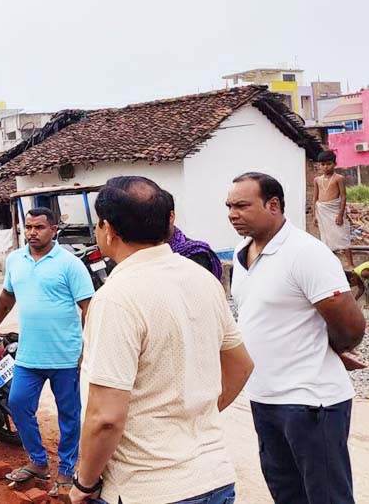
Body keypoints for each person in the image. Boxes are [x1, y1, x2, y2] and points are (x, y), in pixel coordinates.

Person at [70, 176, 254, 504]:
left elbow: (105, 418)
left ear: (108, 229)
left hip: (149, 488)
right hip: (214, 478)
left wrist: (84, 483)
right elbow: (241, 364)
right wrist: (191, 416)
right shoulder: (203, 280)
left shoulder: (116, 298)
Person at [227, 172, 365, 504]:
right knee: (287, 494)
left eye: (242, 205)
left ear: (272, 205)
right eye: (229, 206)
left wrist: (330, 346)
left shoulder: (306, 253)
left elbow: (351, 327)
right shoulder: (240, 253)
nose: (233, 214)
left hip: (310, 402)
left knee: (327, 498)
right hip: (264, 398)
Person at [0, 207, 94, 496]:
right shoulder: (16, 260)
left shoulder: (69, 263)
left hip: (65, 356)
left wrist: (85, 347)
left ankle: (67, 471)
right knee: (18, 404)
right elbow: (8, 295)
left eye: (39, 227)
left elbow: (88, 307)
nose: (32, 232)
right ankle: (39, 462)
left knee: (68, 414)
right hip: (29, 355)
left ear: (53, 229)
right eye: (28, 227)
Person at [313, 151, 354, 268]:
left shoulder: (339, 178)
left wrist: (340, 215)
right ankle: (330, 264)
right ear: (319, 165)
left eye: (328, 164)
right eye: (323, 164)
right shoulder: (317, 180)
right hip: (322, 211)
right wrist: (314, 215)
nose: (326, 167)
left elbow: (343, 196)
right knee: (326, 238)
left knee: (343, 236)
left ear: (334, 164)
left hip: (335, 211)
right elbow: (315, 198)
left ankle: (350, 264)